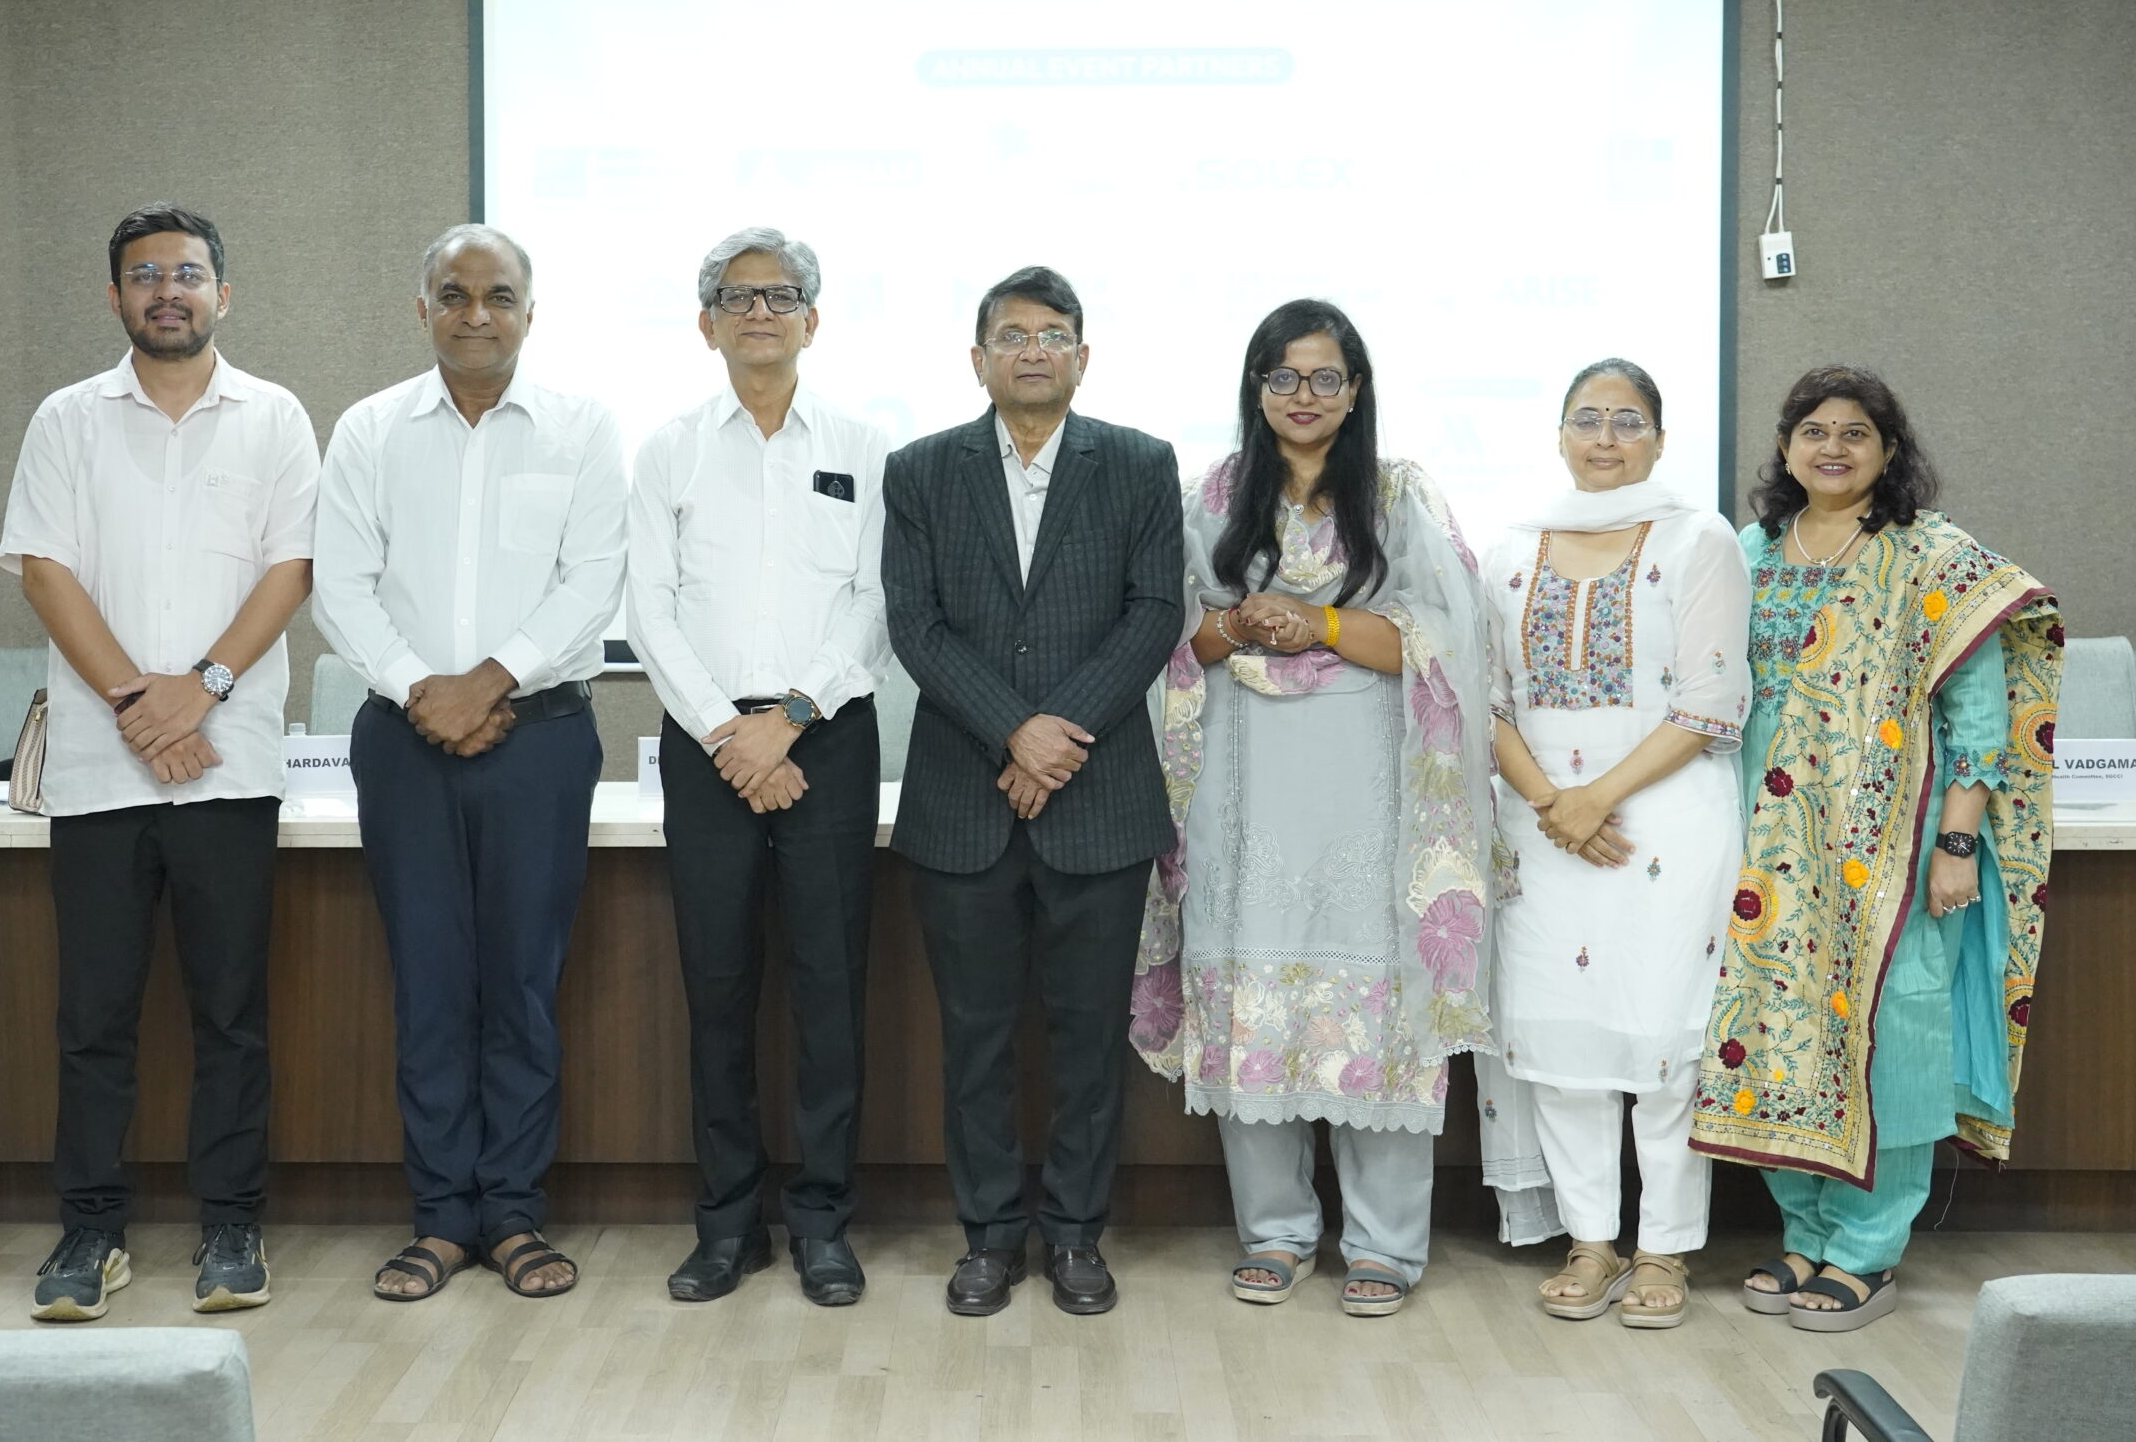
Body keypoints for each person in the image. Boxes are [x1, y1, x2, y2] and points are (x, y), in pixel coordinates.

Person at [1130, 300, 1494, 1319]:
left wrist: (1323, 622)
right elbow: (1164, 635)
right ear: (1256, 387)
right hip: (1241, 782)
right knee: (1249, 991)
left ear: (1356, 388)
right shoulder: (1211, 495)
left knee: (1376, 1003)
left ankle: (1384, 1244)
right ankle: (1277, 1232)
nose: (1303, 395)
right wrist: (1239, 626)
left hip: (1370, 790)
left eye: (1325, 377)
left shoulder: (1398, 493)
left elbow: (1450, 639)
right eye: (1282, 376)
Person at [0, 203, 318, 1321]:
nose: (166, 291)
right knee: (94, 1016)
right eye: (145, 275)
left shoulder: (275, 417)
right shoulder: (67, 418)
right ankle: (90, 1232)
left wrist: (202, 690)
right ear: (115, 297)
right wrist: (143, 705)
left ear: (223, 293)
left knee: (231, 1011)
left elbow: (292, 569)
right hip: (100, 769)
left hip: (229, 764)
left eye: (187, 274)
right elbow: (44, 569)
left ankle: (232, 1224)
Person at [1698, 366, 2060, 1332]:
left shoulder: (1933, 556)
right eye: (1813, 430)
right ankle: (1806, 1230)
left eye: (1855, 432)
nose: (1833, 447)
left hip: (1890, 852)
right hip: (1765, 850)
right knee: (1777, 1031)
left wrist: (1957, 842)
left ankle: (1867, 1248)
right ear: (1785, 448)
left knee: (1893, 1036)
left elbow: (1978, 717)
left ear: (1888, 451)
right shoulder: (1748, 550)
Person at [313, 225, 627, 1304]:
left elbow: (593, 578)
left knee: (524, 985)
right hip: (404, 740)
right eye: (453, 294)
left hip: (540, 738)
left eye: (498, 295)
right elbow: (341, 584)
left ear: (531, 311)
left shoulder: (583, 428)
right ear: (423, 310)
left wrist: (483, 683)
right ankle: (443, 1218)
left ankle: (515, 1214)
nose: (476, 313)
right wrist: (426, 692)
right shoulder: (369, 429)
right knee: (431, 982)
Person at [881, 265, 1183, 1318]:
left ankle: (1077, 1236)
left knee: (1087, 1037)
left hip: (1098, 799)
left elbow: (1154, 612)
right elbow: (914, 623)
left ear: (1082, 357)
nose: (1032, 350)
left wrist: (1056, 737)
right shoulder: (921, 470)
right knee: (974, 1038)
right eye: (1011, 335)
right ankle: (988, 1238)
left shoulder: (1139, 464)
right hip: (963, 797)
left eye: (1053, 334)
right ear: (979, 360)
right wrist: (1016, 730)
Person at [628, 228, 892, 1307]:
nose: (760, 314)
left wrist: (787, 720)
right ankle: (728, 1225)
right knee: (719, 988)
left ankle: (823, 1223)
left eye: (781, 297)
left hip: (824, 736)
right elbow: (649, 610)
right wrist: (729, 734)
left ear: (812, 320)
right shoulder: (669, 451)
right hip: (708, 748)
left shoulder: (865, 447)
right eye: (738, 299)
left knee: (830, 989)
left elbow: (876, 602)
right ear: (708, 325)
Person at [1470, 359, 1752, 1328]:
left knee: (1664, 1035)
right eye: (1586, 419)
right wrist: (1553, 800)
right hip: (1539, 824)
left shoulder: (1698, 538)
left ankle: (1665, 1246)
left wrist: (1596, 799)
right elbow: (1486, 703)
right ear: (1558, 435)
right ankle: (1591, 1240)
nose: (1605, 437)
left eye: (1627, 421)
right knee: (1559, 1038)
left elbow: (1712, 701)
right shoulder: (1508, 550)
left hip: (1664, 820)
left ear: (1661, 440)